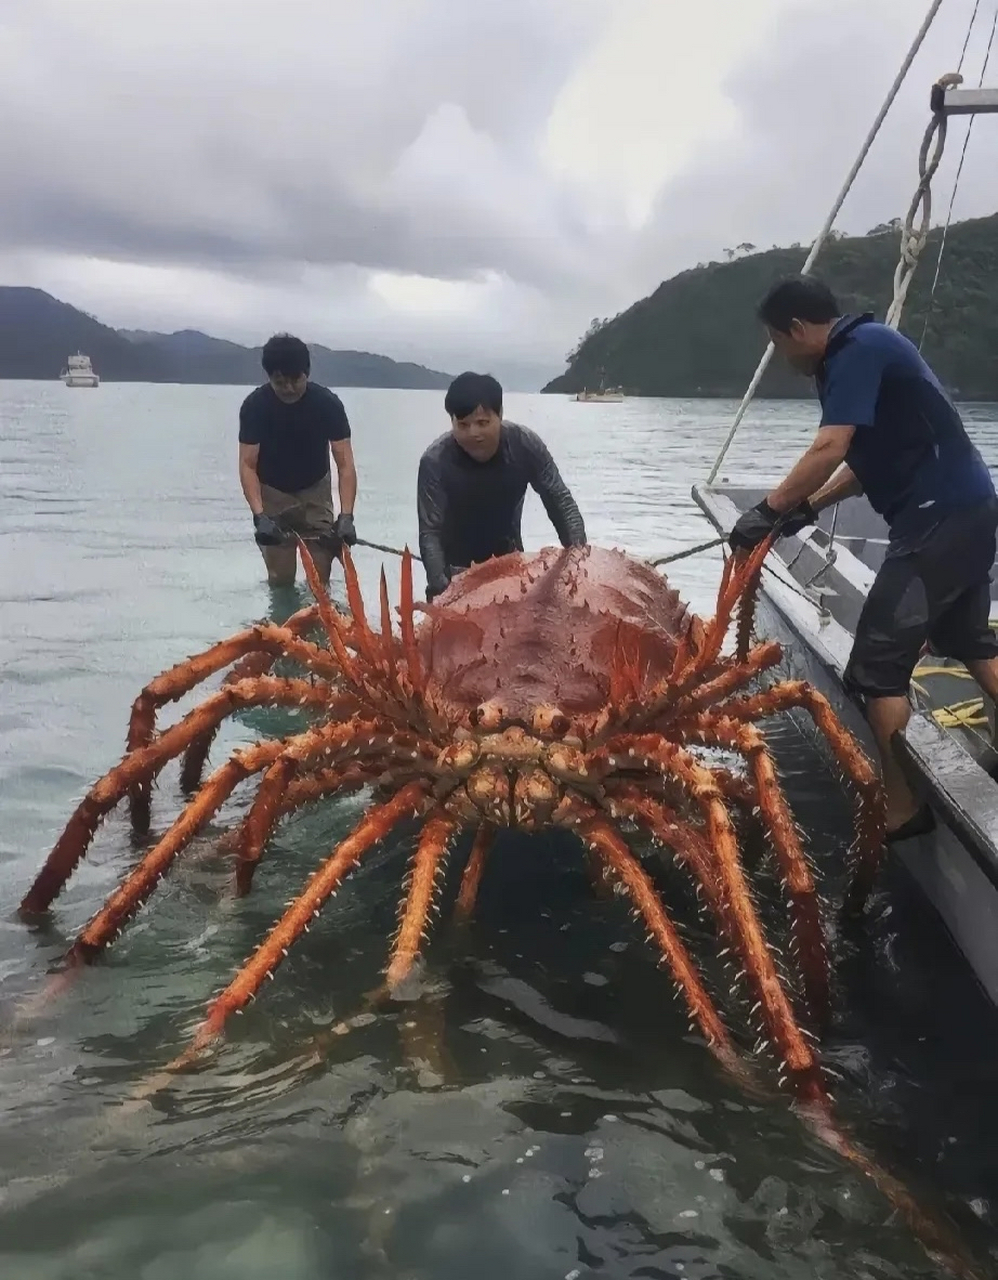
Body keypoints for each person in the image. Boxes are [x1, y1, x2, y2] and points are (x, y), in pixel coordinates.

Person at [729, 275, 998, 843]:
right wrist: (804, 508)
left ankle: (903, 809)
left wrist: (766, 511)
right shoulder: (866, 349)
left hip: (937, 521)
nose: (780, 355)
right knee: (973, 645)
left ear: (798, 329)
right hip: (968, 511)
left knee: (875, 673)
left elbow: (830, 446)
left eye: (778, 342)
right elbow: (860, 462)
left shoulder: (856, 352)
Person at [416, 371, 587, 600]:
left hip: (512, 567)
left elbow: (560, 501)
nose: (473, 433)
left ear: (500, 415)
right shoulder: (435, 461)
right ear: (452, 421)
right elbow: (430, 532)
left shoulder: (525, 445)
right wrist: (441, 587)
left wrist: (577, 562)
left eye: (482, 423)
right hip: (455, 574)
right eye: (463, 424)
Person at [237, 332, 358, 587]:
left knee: (319, 578)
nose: (289, 388)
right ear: (269, 377)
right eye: (281, 382)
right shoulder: (255, 407)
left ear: (307, 373)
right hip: (272, 492)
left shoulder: (328, 404)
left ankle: (320, 622)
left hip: (315, 490)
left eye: (296, 380)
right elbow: (248, 464)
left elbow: (345, 464)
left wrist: (347, 516)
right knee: (280, 579)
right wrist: (260, 516)